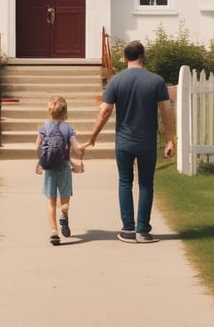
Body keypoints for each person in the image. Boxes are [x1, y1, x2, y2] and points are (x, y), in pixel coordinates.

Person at [81, 40, 175, 243]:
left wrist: (93, 137)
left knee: (125, 182)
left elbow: (105, 111)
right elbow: (166, 111)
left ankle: (128, 230)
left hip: (124, 141)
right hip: (147, 141)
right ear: (143, 56)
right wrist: (170, 139)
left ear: (125, 58)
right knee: (146, 184)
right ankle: (143, 230)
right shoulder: (157, 81)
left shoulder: (116, 81)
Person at [35, 95, 85, 245]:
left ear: (49, 111)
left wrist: (41, 162)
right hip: (64, 167)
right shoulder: (68, 128)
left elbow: (37, 147)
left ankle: (54, 232)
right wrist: (80, 156)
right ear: (65, 112)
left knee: (51, 202)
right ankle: (63, 212)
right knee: (64, 199)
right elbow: (76, 148)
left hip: (49, 168)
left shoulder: (44, 128)